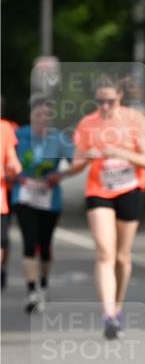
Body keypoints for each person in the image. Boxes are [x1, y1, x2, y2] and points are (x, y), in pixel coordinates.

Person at [69, 75, 145, 339]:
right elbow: (75, 164)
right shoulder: (87, 124)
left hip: (129, 188)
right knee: (104, 252)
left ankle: (117, 307)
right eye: (100, 101)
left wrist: (121, 153)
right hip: (99, 190)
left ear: (120, 98)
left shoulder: (135, 121)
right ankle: (108, 314)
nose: (105, 106)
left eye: (110, 101)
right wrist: (86, 158)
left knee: (121, 256)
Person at [12, 96, 75, 312]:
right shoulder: (19, 135)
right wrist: (13, 173)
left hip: (50, 199)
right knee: (29, 241)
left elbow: (77, 162)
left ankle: (44, 285)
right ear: (31, 116)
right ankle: (31, 292)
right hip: (24, 195)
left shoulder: (59, 138)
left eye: (47, 115)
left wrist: (61, 174)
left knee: (45, 245)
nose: (42, 119)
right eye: (38, 115)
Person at [1, 117, 21, 289]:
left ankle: (2, 268)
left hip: (5, 189)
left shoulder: (7, 127)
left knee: (3, 237)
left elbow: (13, 159)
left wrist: (14, 169)